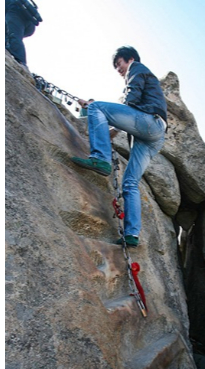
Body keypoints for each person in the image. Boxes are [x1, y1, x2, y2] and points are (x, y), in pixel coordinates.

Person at [71, 46, 168, 248]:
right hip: (154, 135)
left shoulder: (137, 67)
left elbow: (131, 100)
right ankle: (132, 235)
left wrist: (93, 109)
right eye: (116, 66)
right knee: (130, 183)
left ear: (129, 59)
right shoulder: (143, 74)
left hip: (149, 123)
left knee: (97, 106)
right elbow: (127, 117)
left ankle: (100, 158)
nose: (118, 69)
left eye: (119, 64)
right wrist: (111, 130)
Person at [5, 0, 41, 67]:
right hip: (29, 21)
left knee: (13, 37)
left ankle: (21, 62)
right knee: (11, 37)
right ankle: (20, 62)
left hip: (16, 13)